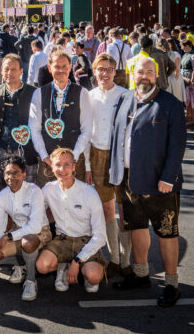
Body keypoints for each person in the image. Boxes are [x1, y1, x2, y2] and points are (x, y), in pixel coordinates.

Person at [110, 57, 186, 307]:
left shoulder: (170, 104)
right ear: (133, 74)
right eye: (140, 72)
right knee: (137, 228)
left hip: (160, 184)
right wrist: (115, 172)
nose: (144, 76)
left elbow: (177, 146)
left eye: (149, 72)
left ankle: (172, 284)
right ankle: (141, 275)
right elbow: (116, 138)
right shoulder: (125, 99)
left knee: (167, 233)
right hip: (129, 181)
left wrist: (168, 177)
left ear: (157, 75)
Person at [36, 148, 106, 294]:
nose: (62, 169)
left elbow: (100, 236)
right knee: (42, 266)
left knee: (94, 277)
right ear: (52, 167)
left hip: (86, 240)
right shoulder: (48, 189)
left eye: (67, 164)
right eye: (58, 165)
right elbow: (35, 210)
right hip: (63, 239)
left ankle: (81, 268)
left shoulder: (89, 192)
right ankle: (63, 266)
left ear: (74, 167)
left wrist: (77, 261)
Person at [86, 53, 131, 278]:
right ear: (94, 71)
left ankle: (127, 260)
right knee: (106, 209)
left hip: (120, 156)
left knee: (124, 210)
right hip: (97, 154)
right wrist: (86, 164)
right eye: (100, 69)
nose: (104, 73)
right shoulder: (89, 96)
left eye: (109, 69)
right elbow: (86, 132)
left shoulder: (126, 95)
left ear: (115, 72)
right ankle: (113, 258)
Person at [0, 156, 50, 301]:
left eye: (16, 173)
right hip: (17, 231)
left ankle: (31, 281)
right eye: (7, 173)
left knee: (27, 242)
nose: (11, 177)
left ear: (24, 174)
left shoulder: (34, 191)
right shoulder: (2, 196)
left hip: (39, 232)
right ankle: (22, 264)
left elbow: (35, 226)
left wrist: (6, 237)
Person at [29, 50, 92, 186]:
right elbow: (34, 128)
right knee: (46, 203)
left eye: (64, 66)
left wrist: (73, 157)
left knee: (74, 202)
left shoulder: (82, 93)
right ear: (50, 68)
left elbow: (87, 129)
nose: (61, 70)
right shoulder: (39, 93)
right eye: (57, 66)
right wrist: (44, 156)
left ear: (70, 67)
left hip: (74, 162)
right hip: (48, 162)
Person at [0, 54, 39, 191]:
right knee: (2, 190)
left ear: (21, 71)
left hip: (26, 152)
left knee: (28, 191)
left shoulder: (34, 93)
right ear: (1, 71)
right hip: (2, 151)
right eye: (6, 69)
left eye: (13, 69)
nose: (9, 73)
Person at [180, 40, 194, 123]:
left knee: (191, 99)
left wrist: (192, 82)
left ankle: (191, 117)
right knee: (187, 99)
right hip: (184, 80)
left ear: (187, 46)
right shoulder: (185, 55)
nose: (181, 48)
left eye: (182, 46)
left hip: (190, 80)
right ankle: (188, 116)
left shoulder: (193, 56)